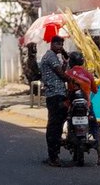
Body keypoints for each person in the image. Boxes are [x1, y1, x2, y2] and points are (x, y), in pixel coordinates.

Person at [65, 51, 100, 162]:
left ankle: (56, 152)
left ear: (71, 62)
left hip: (71, 106)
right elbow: (95, 90)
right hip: (86, 106)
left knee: (62, 121)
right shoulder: (88, 74)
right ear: (82, 62)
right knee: (95, 128)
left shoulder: (67, 73)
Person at [39, 35, 70, 166]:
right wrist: (74, 80)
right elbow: (62, 75)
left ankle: (54, 154)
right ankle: (53, 157)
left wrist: (65, 62)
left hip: (57, 94)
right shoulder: (50, 56)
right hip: (55, 95)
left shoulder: (54, 57)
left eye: (62, 45)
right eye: (58, 45)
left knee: (57, 125)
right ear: (52, 44)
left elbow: (60, 72)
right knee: (55, 126)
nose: (60, 47)